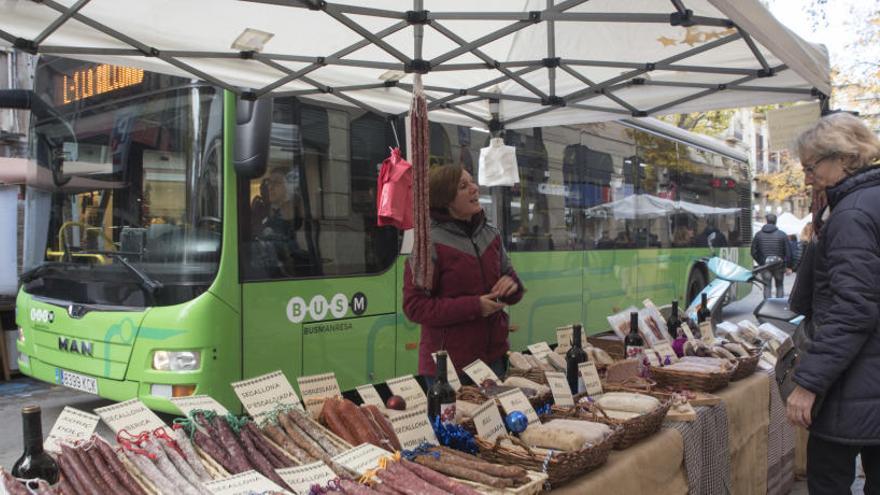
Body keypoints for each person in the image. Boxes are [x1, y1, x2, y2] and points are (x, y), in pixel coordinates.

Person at [784, 113, 880, 494]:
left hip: (852, 382)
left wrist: (809, 383)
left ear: (844, 158)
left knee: (828, 480)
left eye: (811, 167)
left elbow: (853, 309)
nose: (807, 177)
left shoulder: (852, 214)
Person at [403, 165, 525, 383]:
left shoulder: (492, 235)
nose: (474, 188)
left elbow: (512, 281)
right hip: (450, 367)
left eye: (472, 182)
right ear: (446, 199)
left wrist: (511, 286)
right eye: (463, 186)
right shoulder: (428, 244)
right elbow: (415, 307)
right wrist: (475, 306)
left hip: (494, 359)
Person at [751, 213, 791, 299]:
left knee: (767, 286)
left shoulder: (758, 235)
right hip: (779, 266)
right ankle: (778, 306)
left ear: (766, 221)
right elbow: (788, 252)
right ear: (776, 222)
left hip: (765, 266)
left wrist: (761, 262)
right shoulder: (782, 235)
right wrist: (788, 266)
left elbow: (753, 252)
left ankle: (767, 307)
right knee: (779, 286)